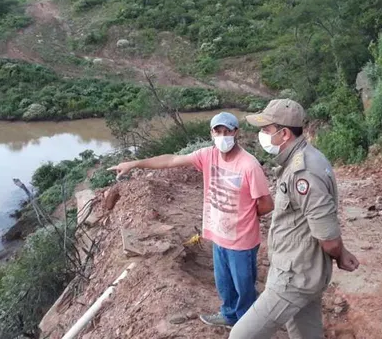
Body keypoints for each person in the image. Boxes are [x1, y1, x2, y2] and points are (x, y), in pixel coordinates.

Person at [108, 112, 274, 328]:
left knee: (244, 286)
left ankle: (250, 326)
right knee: (224, 284)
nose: (223, 136)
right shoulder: (208, 155)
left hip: (242, 240)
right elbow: (171, 160)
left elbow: (266, 204)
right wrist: (135, 163)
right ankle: (230, 316)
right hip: (218, 235)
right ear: (211, 133)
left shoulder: (249, 165)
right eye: (218, 131)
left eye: (228, 131)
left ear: (236, 133)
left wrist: (243, 217)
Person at [229, 99, 359, 339]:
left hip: (294, 276)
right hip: (303, 270)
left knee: (241, 336)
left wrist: (339, 252)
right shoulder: (304, 159)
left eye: (266, 130)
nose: (262, 135)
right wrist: (341, 252)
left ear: (284, 133)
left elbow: (328, 237)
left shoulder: (303, 172)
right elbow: (315, 221)